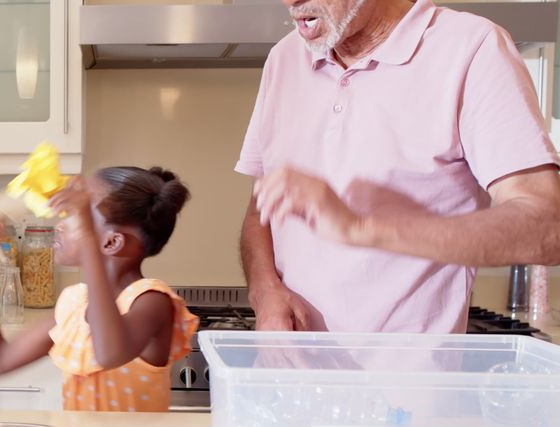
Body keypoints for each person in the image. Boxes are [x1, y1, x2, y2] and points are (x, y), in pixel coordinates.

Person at [237, 0, 560, 333]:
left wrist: (362, 228)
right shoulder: (285, 58)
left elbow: (548, 226)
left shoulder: (473, 48)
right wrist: (265, 293)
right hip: (288, 376)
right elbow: (260, 210)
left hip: (407, 381)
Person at [0, 167, 198, 412]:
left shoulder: (152, 301)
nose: (60, 224)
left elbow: (109, 354)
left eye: (76, 215)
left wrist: (86, 235)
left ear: (111, 242)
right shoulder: (74, 301)